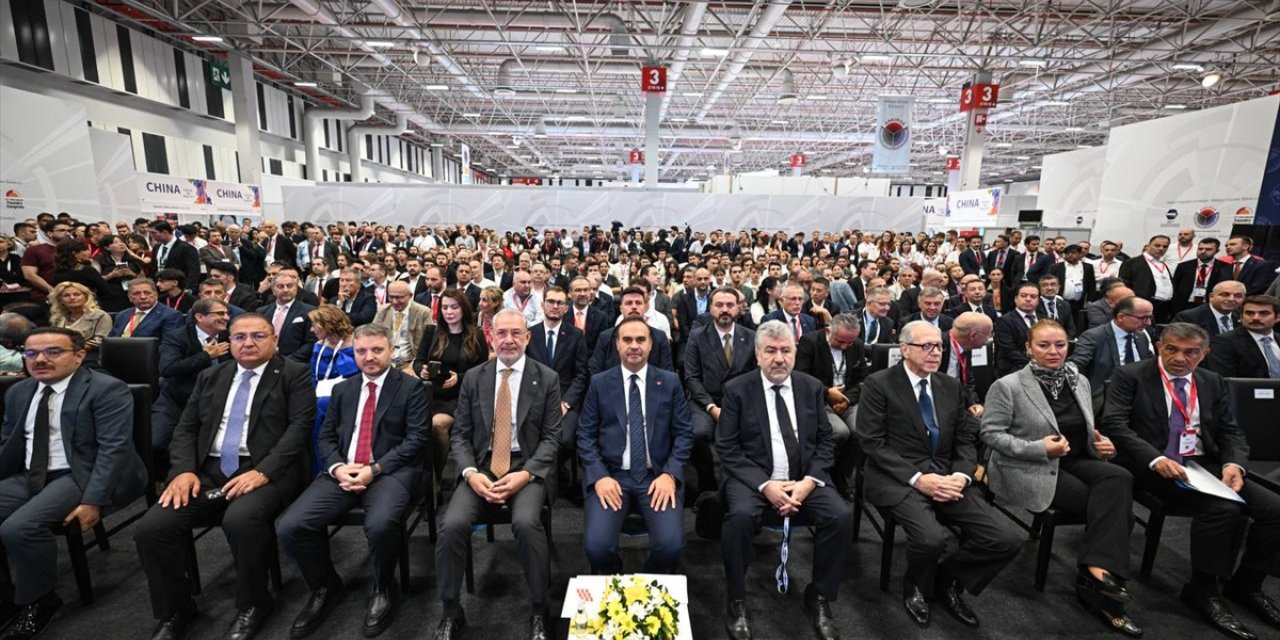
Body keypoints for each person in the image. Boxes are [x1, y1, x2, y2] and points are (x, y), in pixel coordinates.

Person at [134, 313, 316, 640]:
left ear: (274, 340)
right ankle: (176, 609)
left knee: (241, 520)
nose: (248, 343)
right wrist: (183, 471)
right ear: (227, 342)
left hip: (268, 469)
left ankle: (254, 604)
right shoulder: (211, 376)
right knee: (152, 528)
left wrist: (263, 472)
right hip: (208, 469)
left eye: (258, 336)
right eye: (239, 337)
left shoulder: (294, 374)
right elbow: (186, 428)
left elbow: (298, 431)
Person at [1099, 322, 1280, 639]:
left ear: (1204, 353)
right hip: (1152, 465)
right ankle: (1203, 589)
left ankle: (1246, 585)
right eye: (1172, 349)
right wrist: (1156, 459)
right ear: (1159, 346)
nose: (1180, 358)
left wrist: (1233, 463)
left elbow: (1231, 431)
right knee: (1224, 508)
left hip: (1204, 463)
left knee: (1275, 509)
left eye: (1190, 352)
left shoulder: (1212, 381)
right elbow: (1115, 424)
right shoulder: (1132, 376)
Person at [981, 320, 1141, 637]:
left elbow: (1085, 426)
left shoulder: (1078, 380)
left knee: (1120, 477)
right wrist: (1037, 448)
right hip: (1029, 464)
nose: (1053, 351)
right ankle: (1104, 589)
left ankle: (1096, 573)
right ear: (1028, 348)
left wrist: (1100, 443)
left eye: (1060, 345)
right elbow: (990, 435)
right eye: (1044, 345)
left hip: (1077, 458)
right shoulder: (1009, 385)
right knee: (1111, 507)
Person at [857, 321, 1021, 629]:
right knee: (931, 540)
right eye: (927, 346)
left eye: (939, 346)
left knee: (1005, 539)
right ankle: (916, 585)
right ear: (904, 350)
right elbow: (872, 443)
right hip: (899, 477)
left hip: (947, 476)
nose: (935, 352)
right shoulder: (879, 384)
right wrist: (918, 479)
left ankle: (947, 580)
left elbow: (963, 438)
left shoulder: (949, 385)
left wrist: (962, 475)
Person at [277, 324, 430, 638]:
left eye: (377, 350)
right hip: (343, 472)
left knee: (380, 523)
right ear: (354, 353)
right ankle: (324, 585)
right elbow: (326, 436)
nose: (369, 357)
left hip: (390, 471)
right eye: (361, 351)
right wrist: (336, 467)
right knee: (291, 525)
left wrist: (373, 469)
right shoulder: (343, 389)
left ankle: (383, 586)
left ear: (391, 351)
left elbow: (416, 440)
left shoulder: (411, 388)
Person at [0, 328, 146, 640]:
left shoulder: (106, 389)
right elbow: (7, 443)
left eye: (53, 352)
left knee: (19, 528)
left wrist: (94, 501)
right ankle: (6, 598)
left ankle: (40, 601)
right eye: (31, 353)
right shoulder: (18, 392)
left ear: (79, 355)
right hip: (28, 473)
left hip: (81, 473)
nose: (40, 359)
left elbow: (113, 450)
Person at [717, 320, 852, 640]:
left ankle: (819, 595)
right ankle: (736, 598)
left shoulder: (811, 387)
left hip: (804, 477)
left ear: (794, 352)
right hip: (755, 478)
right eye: (771, 351)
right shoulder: (737, 389)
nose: (779, 358)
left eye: (786, 350)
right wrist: (766, 486)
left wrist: (809, 481)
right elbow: (727, 447)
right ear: (758, 354)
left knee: (840, 516)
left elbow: (825, 441)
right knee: (738, 518)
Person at [431, 309, 561, 640]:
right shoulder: (475, 377)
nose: (508, 339)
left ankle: (538, 609)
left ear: (527, 337)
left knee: (526, 523)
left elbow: (552, 438)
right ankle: (450, 610)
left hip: (526, 465)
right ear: (491, 337)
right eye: (501, 333)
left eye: (516, 333)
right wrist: (471, 473)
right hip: (482, 466)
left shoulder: (545, 377)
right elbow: (460, 434)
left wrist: (528, 474)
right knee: (451, 525)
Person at [577, 317, 692, 574]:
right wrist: (599, 477)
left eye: (641, 339)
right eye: (627, 339)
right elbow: (584, 435)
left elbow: (684, 434)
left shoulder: (670, 381)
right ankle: (616, 577)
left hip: (656, 476)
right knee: (596, 548)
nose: (634, 345)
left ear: (651, 344)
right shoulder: (600, 382)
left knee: (671, 546)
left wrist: (670, 474)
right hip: (612, 475)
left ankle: (648, 584)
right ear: (617, 344)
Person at [413, 289, 488, 485]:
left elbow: (482, 372)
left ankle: (435, 480)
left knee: (437, 425)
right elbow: (419, 360)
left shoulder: (476, 335)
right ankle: (418, 480)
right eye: (445, 307)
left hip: (460, 397)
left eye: (454, 307)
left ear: (463, 309)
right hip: (430, 394)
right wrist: (422, 370)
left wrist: (460, 377)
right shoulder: (432, 331)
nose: (449, 312)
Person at [794, 313, 868, 499]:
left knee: (861, 431)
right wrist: (828, 392)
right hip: (819, 399)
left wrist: (846, 400)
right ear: (829, 331)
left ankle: (841, 474)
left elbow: (862, 379)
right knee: (839, 432)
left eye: (849, 343)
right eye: (841, 341)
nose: (845, 346)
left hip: (848, 398)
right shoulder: (810, 342)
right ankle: (820, 472)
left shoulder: (856, 345)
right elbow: (801, 377)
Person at [155, 298, 231, 467]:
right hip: (178, 399)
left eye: (227, 313)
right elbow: (167, 369)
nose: (226, 317)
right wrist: (206, 356)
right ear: (200, 317)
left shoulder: (231, 336)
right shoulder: (177, 336)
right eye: (219, 313)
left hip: (219, 400)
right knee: (157, 442)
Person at [525, 287, 589, 471]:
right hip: (534, 400)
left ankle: (554, 471)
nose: (555, 306)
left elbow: (581, 375)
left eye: (560, 302)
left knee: (566, 439)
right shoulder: (530, 333)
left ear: (566, 308)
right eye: (551, 301)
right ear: (542, 304)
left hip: (565, 400)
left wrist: (566, 403)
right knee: (528, 436)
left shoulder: (576, 335)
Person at [1069, 296, 1155, 404]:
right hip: (1106, 399)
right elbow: (1075, 367)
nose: (1148, 323)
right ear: (1121, 317)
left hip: (1138, 396)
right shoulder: (1093, 337)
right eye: (1143, 318)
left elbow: (1151, 365)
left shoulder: (1141, 337)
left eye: (1150, 318)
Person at [305, 305, 359, 474]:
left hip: (349, 395)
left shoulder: (356, 343)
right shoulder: (319, 345)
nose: (312, 329)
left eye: (315, 325)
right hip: (320, 395)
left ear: (327, 323)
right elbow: (313, 375)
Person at [1206, 294, 1280, 379]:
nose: (1256, 318)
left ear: (1277, 317)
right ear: (1241, 317)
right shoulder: (1223, 342)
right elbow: (1225, 381)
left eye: (1264, 313)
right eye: (1250, 313)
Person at [371, 281, 431, 373]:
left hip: (409, 363)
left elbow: (427, 345)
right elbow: (372, 336)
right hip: (385, 362)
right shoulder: (383, 311)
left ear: (410, 296)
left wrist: (413, 367)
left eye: (399, 297)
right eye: (391, 297)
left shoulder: (423, 313)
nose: (394, 301)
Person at [256, 270, 317, 360]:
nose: (285, 290)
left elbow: (311, 343)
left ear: (296, 289)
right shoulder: (261, 312)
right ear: (273, 290)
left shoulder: (309, 311)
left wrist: (287, 361)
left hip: (295, 364)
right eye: (280, 286)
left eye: (289, 286)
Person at [47, 282, 111, 365]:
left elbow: (101, 340)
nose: (72, 298)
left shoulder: (100, 315)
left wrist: (70, 349)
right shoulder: (58, 317)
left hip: (90, 359)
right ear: (60, 300)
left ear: (86, 297)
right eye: (66, 295)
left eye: (77, 294)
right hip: (61, 357)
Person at [1118, 235, 1174, 322]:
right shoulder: (1131, 263)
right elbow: (1124, 286)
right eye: (1157, 245)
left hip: (1165, 307)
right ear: (1149, 246)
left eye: (1165, 246)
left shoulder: (1162, 263)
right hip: (1142, 306)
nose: (1161, 248)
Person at [993, 281, 1043, 376]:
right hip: (1013, 370)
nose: (1028, 299)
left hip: (1042, 367)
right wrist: (1034, 365)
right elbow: (1009, 350)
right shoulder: (1004, 321)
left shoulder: (1044, 320)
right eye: (1023, 296)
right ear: (1016, 299)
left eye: (1033, 296)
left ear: (1038, 300)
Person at [109, 278, 185, 339]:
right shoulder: (122, 315)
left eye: (147, 293)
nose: (143, 297)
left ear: (156, 295)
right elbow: (110, 340)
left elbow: (169, 346)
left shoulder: (171, 316)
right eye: (137, 293)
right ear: (130, 298)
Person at [1173, 280, 1244, 337]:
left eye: (1238, 296)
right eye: (1225, 294)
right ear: (1211, 297)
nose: (1231, 299)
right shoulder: (1188, 317)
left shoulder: (1242, 317)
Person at [90, 234, 142, 312]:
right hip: (108, 298)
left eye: (122, 242)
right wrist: (111, 275)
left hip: (132, 297)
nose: (121, 244)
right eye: (116, 242)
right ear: (107, 247)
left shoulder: (132, 260)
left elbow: (144, 279)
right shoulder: (99, 260)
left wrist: (132, 274)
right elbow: (94, 280)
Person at [47, 239, 110, 304]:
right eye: (85, 250)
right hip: (88, 306)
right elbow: (104, 290)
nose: (89, 252)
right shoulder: (87, 270)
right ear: (74, 253)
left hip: (65, 307)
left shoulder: (56, 271)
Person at [1209, 234, 1274, 295]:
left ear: (1246, 246)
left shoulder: (1262, 265)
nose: (1228, 247)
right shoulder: (1225, 268)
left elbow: (1259, 288)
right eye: (1226, 245)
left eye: (1233, 244)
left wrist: (1236, 296)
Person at [149, 221, 202, 292]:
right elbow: (154, 269)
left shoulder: (186, 248)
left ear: (164, 232)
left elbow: (194, 272)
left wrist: (189, 289)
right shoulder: (157, 247)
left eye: (153, 233)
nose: (151, 235)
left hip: (179, 288)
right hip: (159, 288)